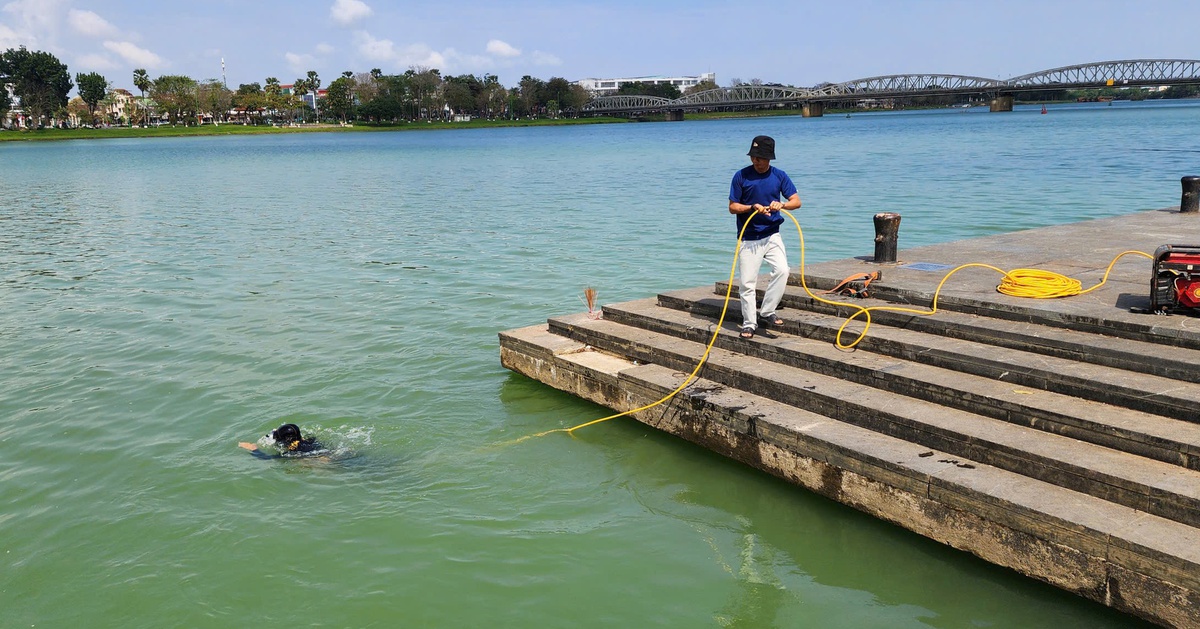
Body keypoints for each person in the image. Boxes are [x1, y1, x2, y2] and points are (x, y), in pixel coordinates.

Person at [727, 135, 802, 338]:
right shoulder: (741, 176)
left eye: (760, 158)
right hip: (748, 238)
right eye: (753, 157)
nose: (755, 161)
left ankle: (768, 311)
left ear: (769, 158)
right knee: (747, 283)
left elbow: (796, 201)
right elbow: (732, 207)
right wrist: (751, 207)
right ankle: (749, 323)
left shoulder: (779, 176)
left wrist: (782, 204)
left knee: (782, 271)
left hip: (772, 235)